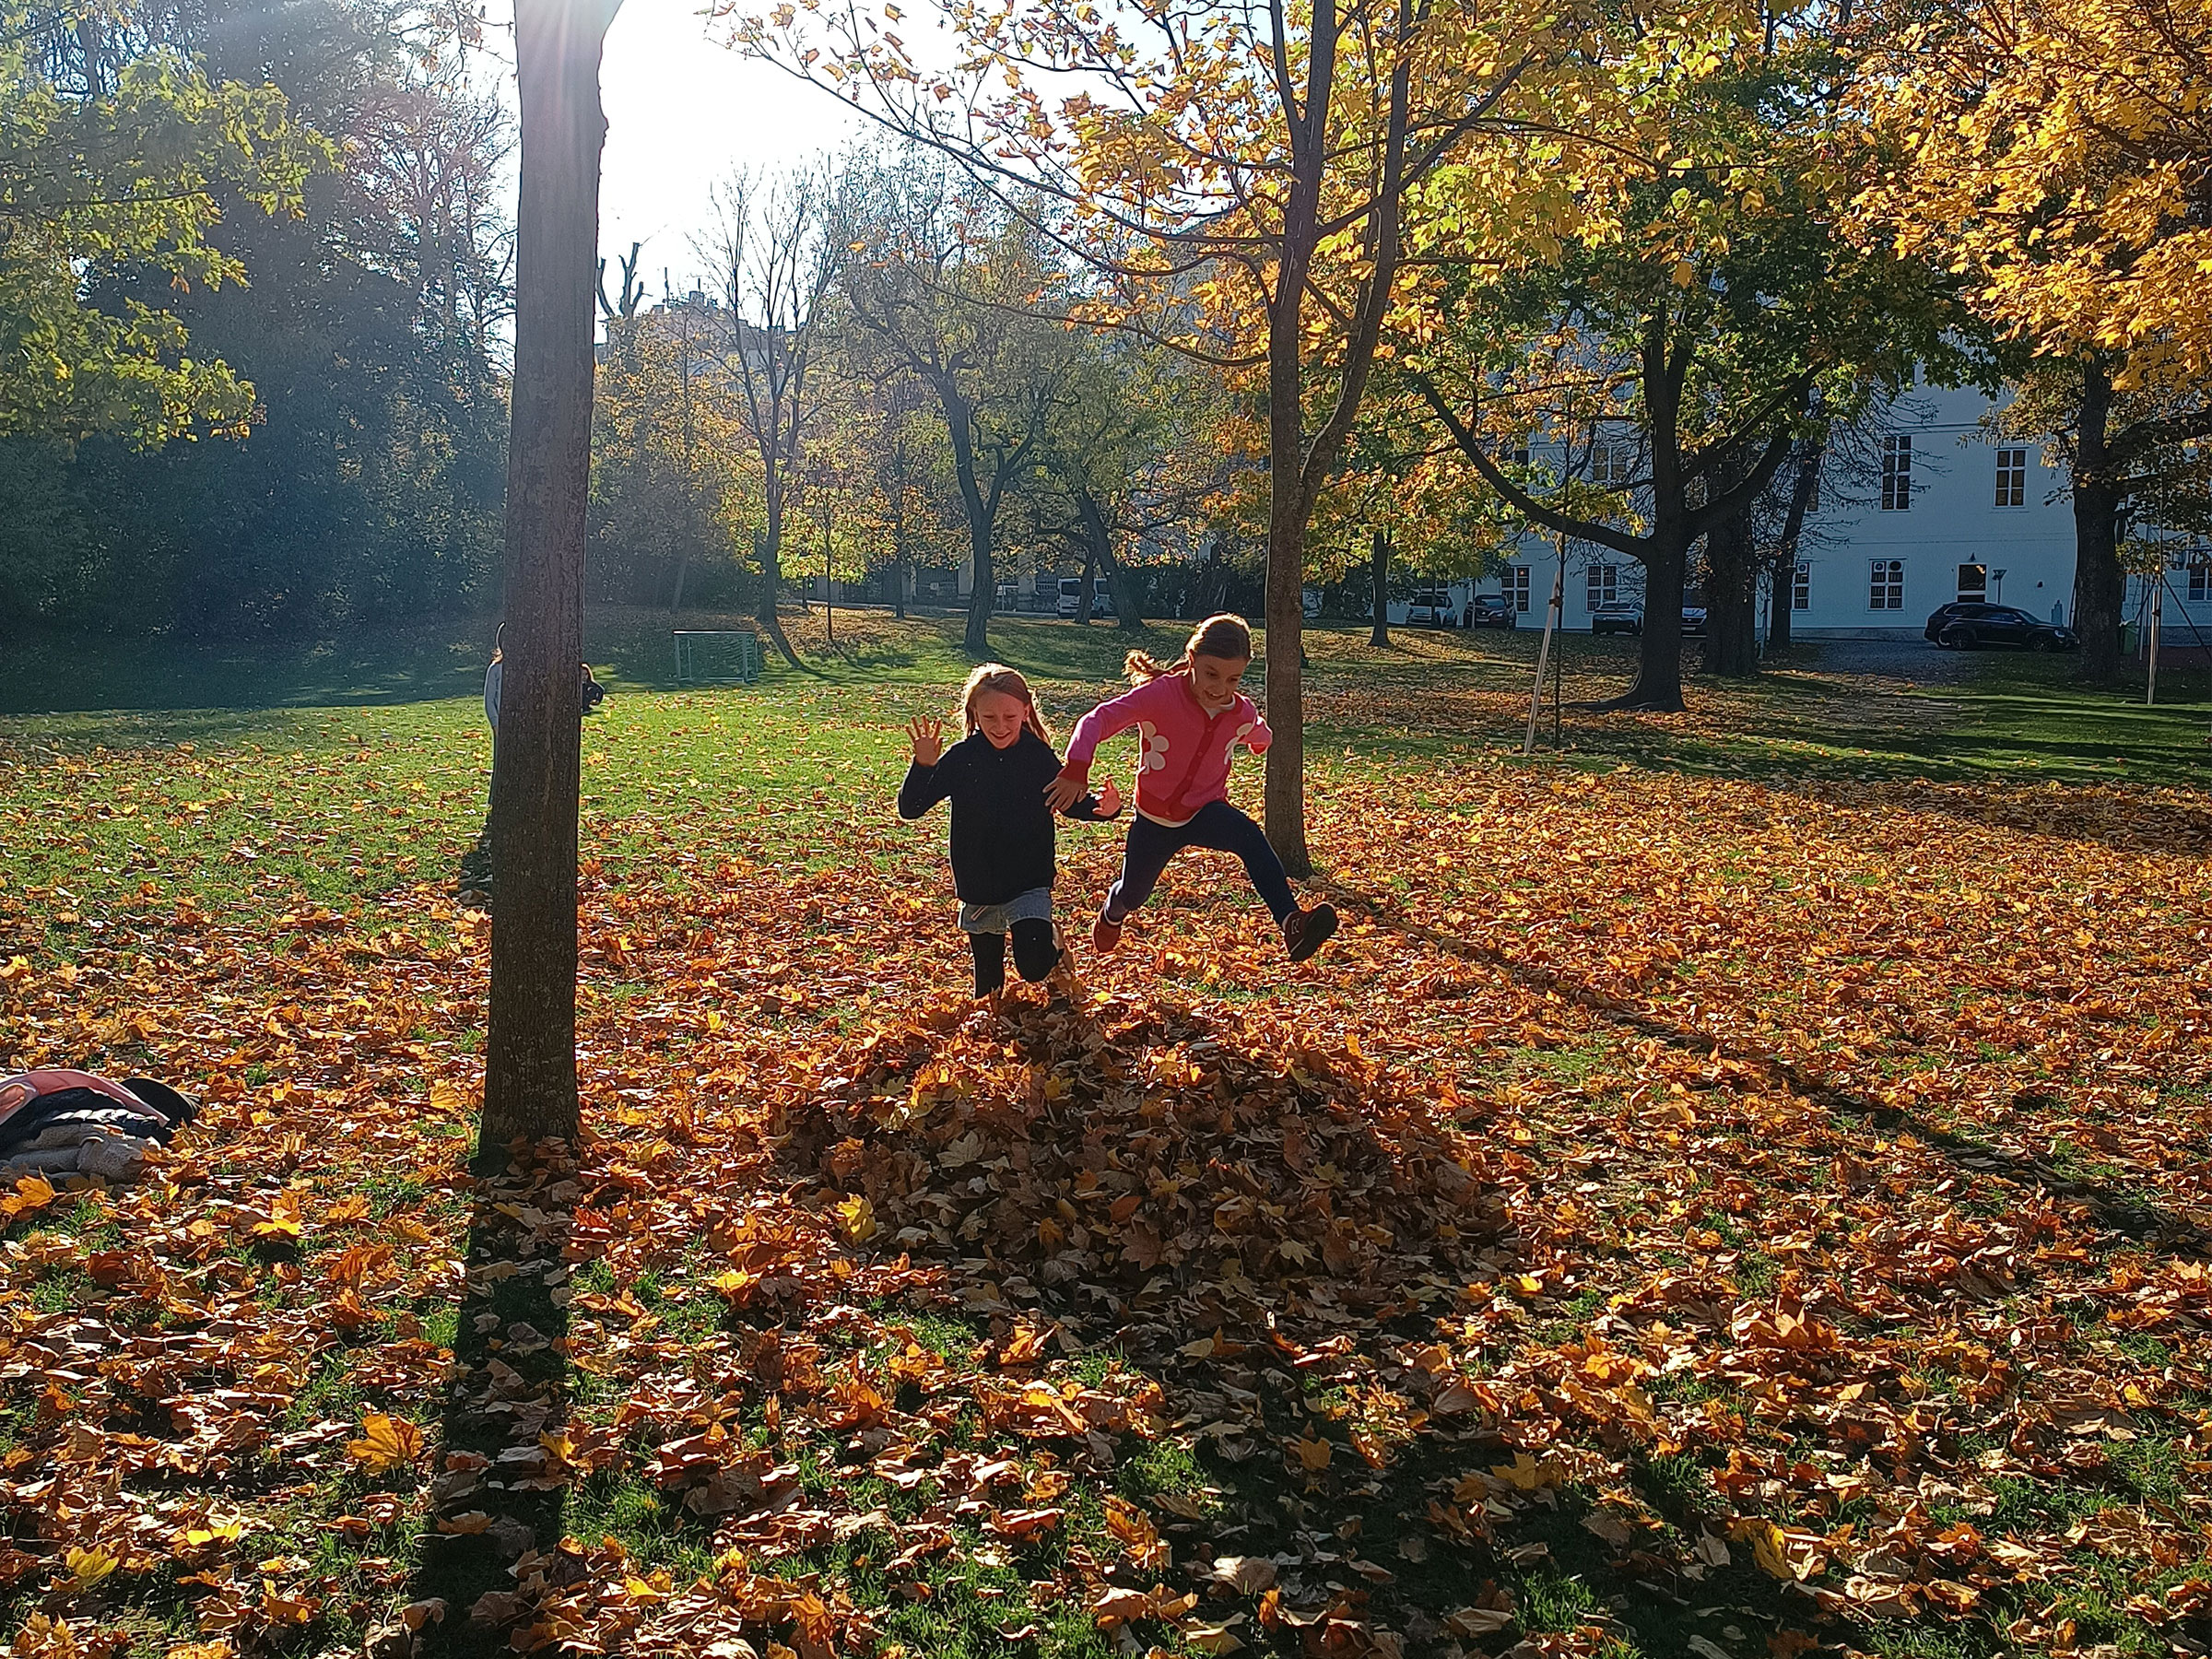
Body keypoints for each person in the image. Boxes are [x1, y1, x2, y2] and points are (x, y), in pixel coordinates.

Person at [1047, 614, 1338, 963]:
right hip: (1154, 820)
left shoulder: (1241, 712)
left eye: (1233, 679)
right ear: (1191, 659)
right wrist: (1077, 767)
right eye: (1211, 674)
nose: (1220, 688)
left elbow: (1260, 732)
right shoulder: (1160, 695)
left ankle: (1292, 922)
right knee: (1134, 893)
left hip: (1206, 811)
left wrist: (1259, 740)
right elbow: (1097, 720)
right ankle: (1113, 911)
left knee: (1249, 836)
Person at [899, 665, 1122, 1001]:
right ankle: (992, 1023)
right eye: (989, 717)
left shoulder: (1036, 756)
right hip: (979, 883)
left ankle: (1053, 948)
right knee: (988, 990)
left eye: (1010, 717)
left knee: (1033, 966)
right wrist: (924, 765)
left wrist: (1104, 808)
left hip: (1028, 879)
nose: (1000, 726)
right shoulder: (963, 758)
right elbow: (911, 807)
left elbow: (1067, 802)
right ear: (974, 713)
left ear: (1026, 711)